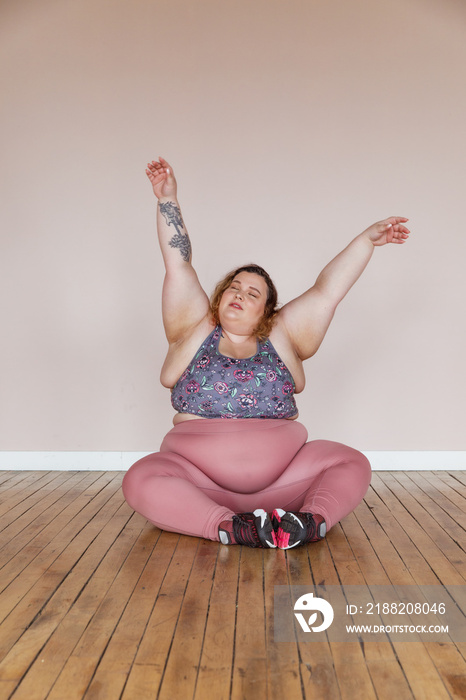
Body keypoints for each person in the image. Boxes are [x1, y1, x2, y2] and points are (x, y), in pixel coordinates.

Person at [122, 157, 410, 549]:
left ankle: (310, 521)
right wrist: (167, 199)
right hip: (198, 482)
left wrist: (365, 241)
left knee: (350, 461)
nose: (239, 294)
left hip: (285, 482)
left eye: (252, 293)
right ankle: (228, 526)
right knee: (140, 477)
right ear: (221, 296)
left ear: (267, 311)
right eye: (234, 287)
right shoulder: (193, 328)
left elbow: (328, 290)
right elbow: (178, 263)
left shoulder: (282, 335)